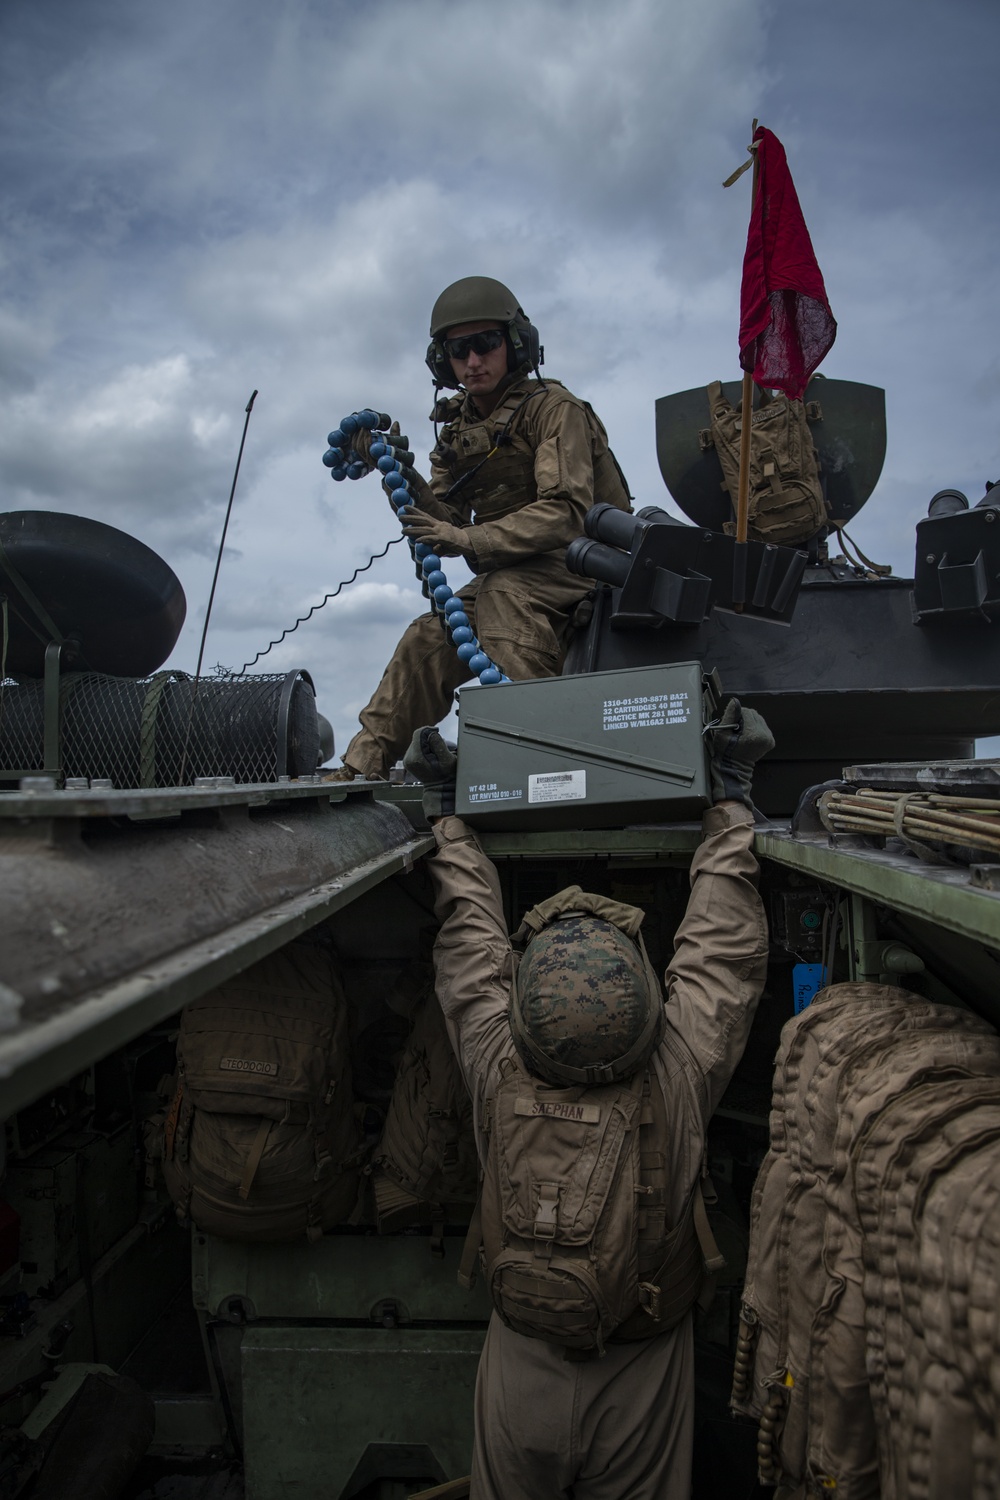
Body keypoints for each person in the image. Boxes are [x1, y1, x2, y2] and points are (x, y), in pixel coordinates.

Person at [403, 702, 773, 1500]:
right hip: (640, 1362)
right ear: (646, 1004)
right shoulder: (677, 1074)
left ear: (526, 1009)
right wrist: (730, 799)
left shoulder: (497, 1063)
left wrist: (447, 819)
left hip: (522, 1357)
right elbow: (722, 956)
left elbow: (469, 945)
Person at [330, 276, 632, 781]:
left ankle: (544, 766)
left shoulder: (554, 411)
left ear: (515, 345)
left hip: (586, 564)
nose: (473, 361)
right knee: (428, 636)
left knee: (501, 595)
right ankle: (362, 768)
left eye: (486, 344)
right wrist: (395, 472)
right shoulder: (457, 432)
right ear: (441, 360)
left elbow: (566, 512)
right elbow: (444, 523)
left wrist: (468, 540)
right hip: (511, 570)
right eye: (458, 349)